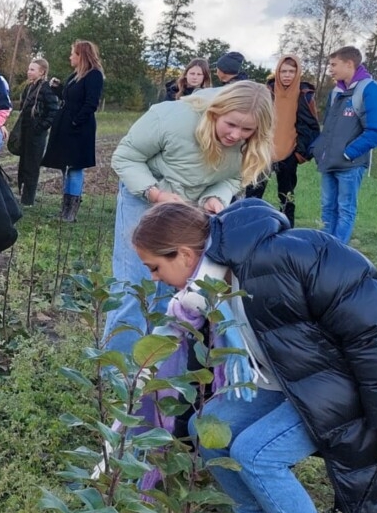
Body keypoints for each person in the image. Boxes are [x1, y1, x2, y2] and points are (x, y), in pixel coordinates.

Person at [131, 199, 377, 513]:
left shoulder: (285, 257)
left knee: (256, 453)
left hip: (337, 388)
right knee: (207, 428)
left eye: (155, 267)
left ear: (186, 255)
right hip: (289, 384)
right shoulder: (209, 285)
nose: (155, 278)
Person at [102, 81, 273, 357]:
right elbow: (125, 157)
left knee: (174, 284)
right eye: (230, 124)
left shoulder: (249, 146)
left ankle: (155, 365)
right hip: (146, 195)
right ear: (216, 112)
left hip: (188, 205)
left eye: (246, 130)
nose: (235, 135)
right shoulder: (172, 119)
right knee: (136, 284)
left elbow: (232, 178)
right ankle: (118, 372)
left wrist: (214, 198)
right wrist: (156, 194)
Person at [316, 45, 377, 243]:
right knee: (327, 208)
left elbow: (376, 131)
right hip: (329, 162)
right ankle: (323, 250)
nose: (330, 69)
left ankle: (337, 254)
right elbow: (328, 127)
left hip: (350, 164)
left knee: (345, 210)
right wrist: (318, 150)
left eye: (334, 64)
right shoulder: (335, 92)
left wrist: (348, 153)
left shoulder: (370, 90)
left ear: (349, 64)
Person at [242, 55, 319, 227]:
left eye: (292, 71)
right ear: (277, 72)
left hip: (289, 152)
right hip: (263, 151)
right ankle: (246, 226)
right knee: (253, 194)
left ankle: (286, 231)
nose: (287, 75)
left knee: (286, 197)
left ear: (297, 73)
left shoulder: (305, 96)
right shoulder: (266, 92)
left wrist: (300, 153)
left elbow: (312, 126)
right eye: (283, 71)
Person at [41, 39, 104, 220]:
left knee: (75, 167)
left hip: (79, 129)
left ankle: (70, 212)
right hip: (66, 125)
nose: (70, 57)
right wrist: (58, 88)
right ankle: (65, 209)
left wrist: (76, 122)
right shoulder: (76, 74)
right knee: (66, 166)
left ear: (81, 56)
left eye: (72, 54)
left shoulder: (94, 75)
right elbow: (70, 98)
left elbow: (91, 103)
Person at [8, 56, 60, 206]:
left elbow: (53, 111)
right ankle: (22, 193)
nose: (28, 72)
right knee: (23, 164)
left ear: (42, 72)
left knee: (32, 165)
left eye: (32, 69)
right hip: (25, 131)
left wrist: (40, 127)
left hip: (36, 134)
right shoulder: (29, 87)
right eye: (28, 69)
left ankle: (28, 200)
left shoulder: (46, 89)